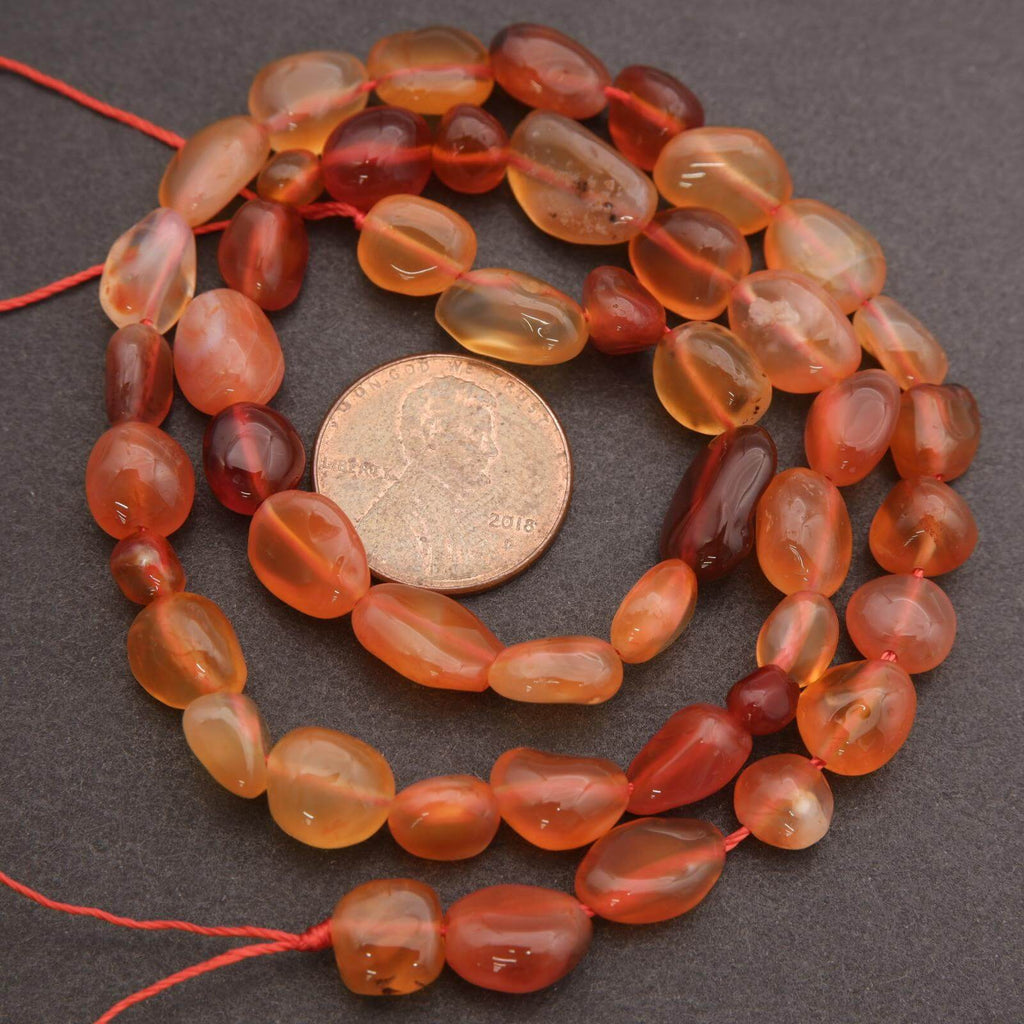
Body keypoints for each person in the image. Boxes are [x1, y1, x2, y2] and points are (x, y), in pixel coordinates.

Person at [357, 375, 500, 582]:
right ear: (432, 433)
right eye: (477, 433)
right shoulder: (397, 523)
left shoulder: (446, 511)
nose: (491, 450)